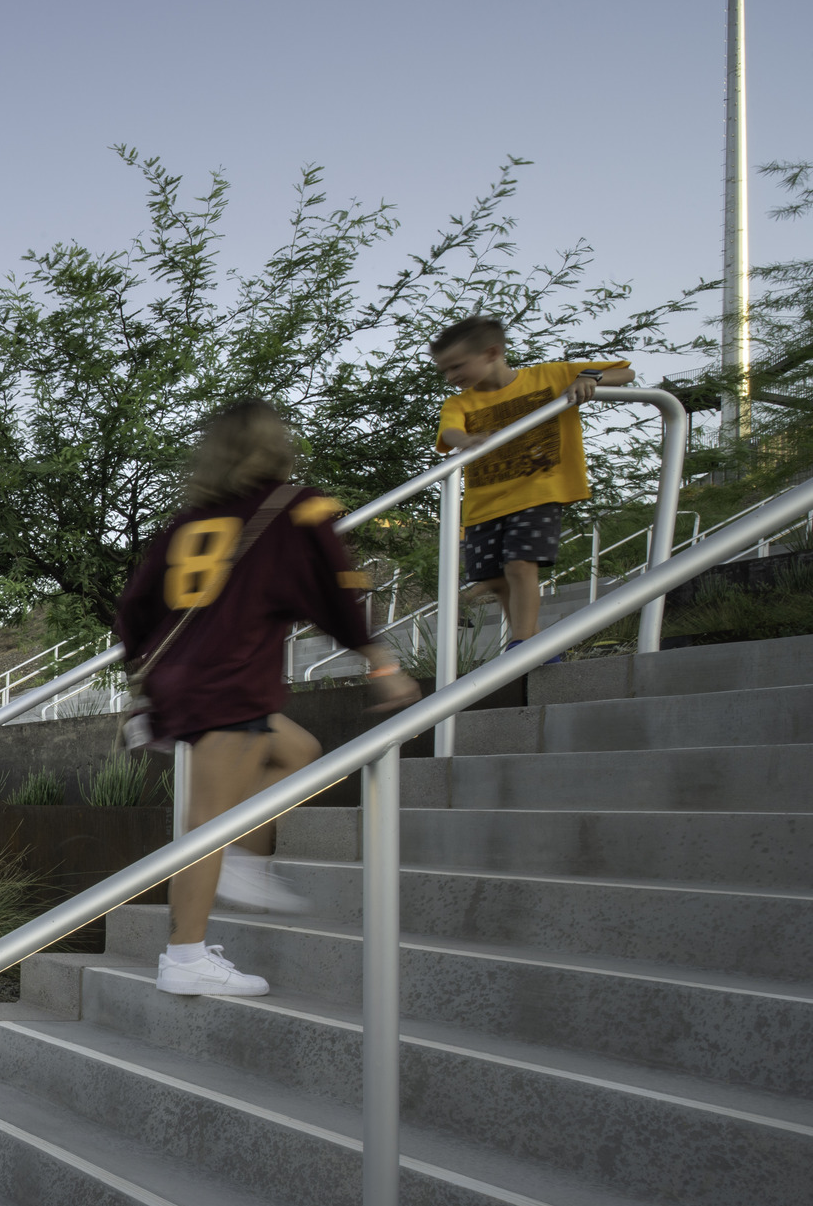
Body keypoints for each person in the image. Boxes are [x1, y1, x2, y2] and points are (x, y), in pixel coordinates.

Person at [115, 400, 419, 998]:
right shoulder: (294, 508)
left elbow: (133, 608)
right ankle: (184, 956)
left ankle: (244, 864)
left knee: (300, 750)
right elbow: (334, 592)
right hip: (231, 678)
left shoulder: (185, 521)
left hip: (187, 679)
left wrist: (145, 676)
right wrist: (379, 660)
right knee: (207, 823)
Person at [432, 315, 633, 655]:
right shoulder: (460, 402)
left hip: (539, 491)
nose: (451, 377)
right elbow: (449, 433)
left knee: (520, 564)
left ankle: (522, 642)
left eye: (457, 367)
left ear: (492, 353)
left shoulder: (548, 376)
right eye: (445, 371)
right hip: (484, 503)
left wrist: (590, 377)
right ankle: (537, 646)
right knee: (496, 579)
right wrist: (465, 439)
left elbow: (625, 372)